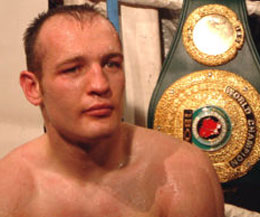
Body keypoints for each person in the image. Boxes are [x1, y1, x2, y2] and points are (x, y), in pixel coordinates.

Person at [0, 4, 224, 217]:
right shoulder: (9, 192)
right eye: (73, 69)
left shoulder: (183, 173)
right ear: (33, 88)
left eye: (111, 64)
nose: (100, 85)